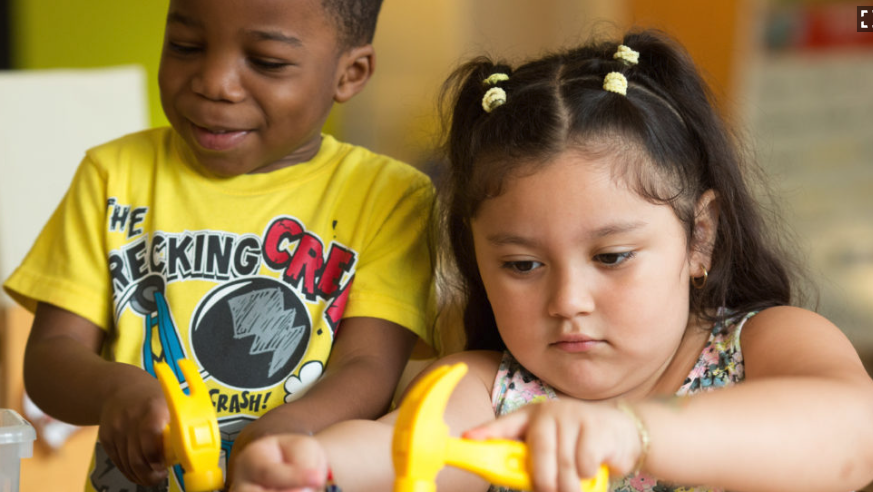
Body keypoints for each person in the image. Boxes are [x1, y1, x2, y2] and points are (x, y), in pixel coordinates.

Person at [229, 29, 873, 492]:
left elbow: (854, 432)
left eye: (612, 256)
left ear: (699, 237)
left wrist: (632, 433)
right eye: (522, 266)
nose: (568, 301)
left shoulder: (764, 345)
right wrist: (312, 469)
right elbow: (398, 452)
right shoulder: (484, 392)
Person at [2, 0, 436, 491]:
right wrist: (114, 389)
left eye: (267, 62)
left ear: (349, 74)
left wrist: (293, 428)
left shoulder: (389, 196)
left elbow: (369, 366)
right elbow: (51, 356)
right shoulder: (111, 176)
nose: (215, 83)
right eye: (186, 46)